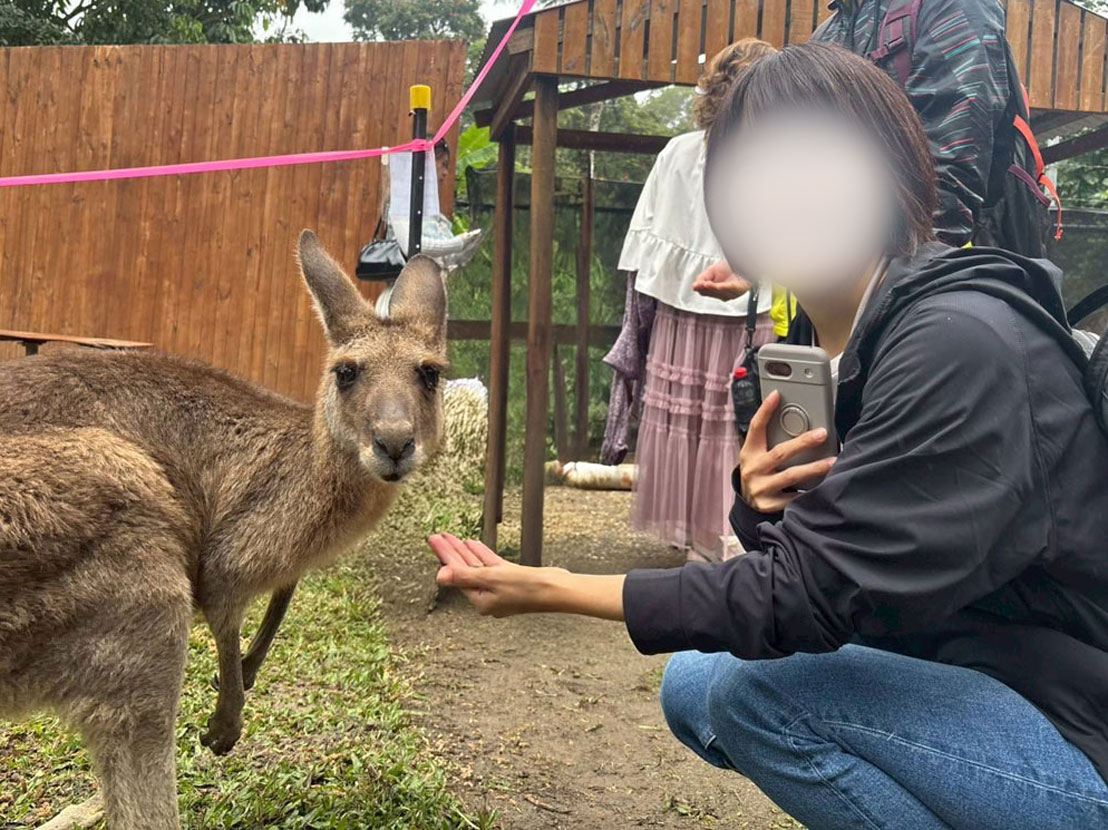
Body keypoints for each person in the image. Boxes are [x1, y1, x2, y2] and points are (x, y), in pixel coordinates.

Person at [427, 43, 1108, 829]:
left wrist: (552, 588)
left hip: (1075, 728)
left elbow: (805, 601)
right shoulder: (838, 342)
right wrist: (758, 504)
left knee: (757, 695)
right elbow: (831, 566)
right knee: (696, 684)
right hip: (979, 667)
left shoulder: (956, 342)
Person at [605, 37, 776, 562]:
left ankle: (709, 548)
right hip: (746, 319)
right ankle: (731, 546)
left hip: (690, 319)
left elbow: (639, 264)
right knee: (740, 426)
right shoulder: (767, 161)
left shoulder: (679, 152)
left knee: (708, 427)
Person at [810, 0, 1055, 255]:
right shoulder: (830, 31)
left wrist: (892, 277)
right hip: (845, 267)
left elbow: (952, 167)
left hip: (948, 267)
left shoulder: (952, 5)